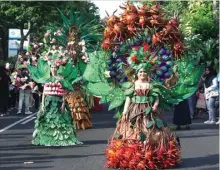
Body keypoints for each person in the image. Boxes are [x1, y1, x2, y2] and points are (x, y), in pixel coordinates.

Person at [105, 67, 180, 169]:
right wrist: (125, 111)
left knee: (149, 129)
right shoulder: (133, 85)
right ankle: (133, 155)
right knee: (133, 129)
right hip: (135, 110)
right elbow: (128, 98)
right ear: (136, 73)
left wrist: (155, 106)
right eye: (140, 71)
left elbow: (156, 98)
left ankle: (151, 154)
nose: (143, 73)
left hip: (148, 110)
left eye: (145, 71)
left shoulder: (151, 85)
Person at [32, 63, 82, 146]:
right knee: (48, 120)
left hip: (58, 101)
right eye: (52, 67)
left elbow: (64, 92)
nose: (53, 69)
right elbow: (44, 93)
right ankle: (48, 138)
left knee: (60, 120)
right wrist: (43, 104)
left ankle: (61, 138)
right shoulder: (47, 78)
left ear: (57, 68)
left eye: (55, 67)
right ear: (50, 68)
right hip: (49, 101)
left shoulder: (61, 78)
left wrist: (63, 103)